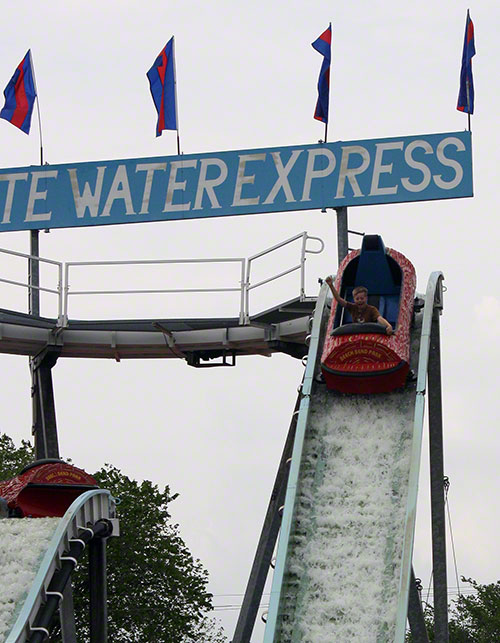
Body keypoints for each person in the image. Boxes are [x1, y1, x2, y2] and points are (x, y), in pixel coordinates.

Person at [325, 276, 393, 335]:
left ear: (366, 298)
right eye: (357, 299)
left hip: (369, 334)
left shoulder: (372, 309)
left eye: (362, 298)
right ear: (354, 299)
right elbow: (339, 299)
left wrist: (388, 326)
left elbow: (379, 318)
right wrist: (331, 286)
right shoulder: (352, 307)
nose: (360, 300)